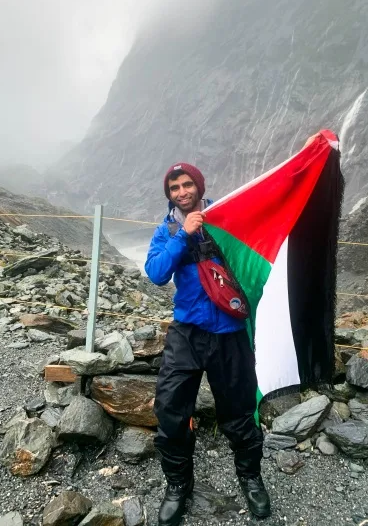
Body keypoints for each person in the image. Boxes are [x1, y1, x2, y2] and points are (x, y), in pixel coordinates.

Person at [145, 163, 271, 526]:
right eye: (174, 188)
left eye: (188, 185)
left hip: (230, 331)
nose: (182, 192)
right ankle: (178, 485)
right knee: (170, 410)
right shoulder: (167, 230)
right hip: (187, 333)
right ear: (168, 194)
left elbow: (261, 232)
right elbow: (156, 274)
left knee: (239, 411)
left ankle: (250, 477)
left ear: (199, 187)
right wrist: (182, 235)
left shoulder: (226, 221)